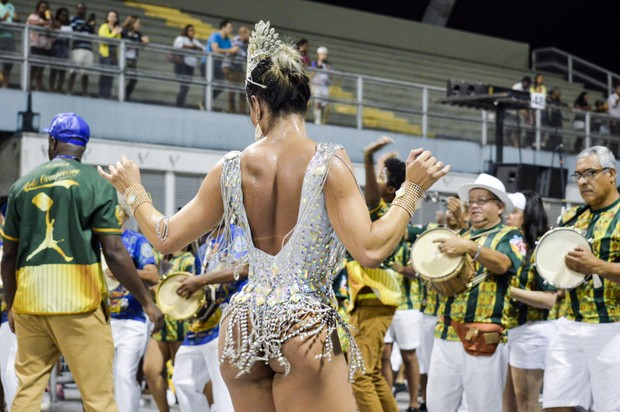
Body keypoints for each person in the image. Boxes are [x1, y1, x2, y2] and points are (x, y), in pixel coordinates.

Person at [98, 20, 450, 412]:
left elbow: (164, 236)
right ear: (305, 102)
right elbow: (370, 249)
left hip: (242, 325)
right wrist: (412, 190)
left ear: (256, 104)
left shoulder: (230, 168)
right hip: (304, 325)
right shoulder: (327, 162)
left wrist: (133, 188)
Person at [0, 112, 162, 411]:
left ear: (52, 142)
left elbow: (9, 256)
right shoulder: (95, 184)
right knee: (98, 398)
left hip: (30, 305)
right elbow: (114, 252)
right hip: (78, 305)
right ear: (83, 147)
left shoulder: (21, 187)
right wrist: (148, 302)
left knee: (26, 393)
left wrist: (12, 305)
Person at [427, 173, 525, 412]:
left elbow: (505, 264)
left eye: (482, 200)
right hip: (446, 330)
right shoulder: (459, 237)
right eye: (471, 202)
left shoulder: (511, 235)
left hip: (483, 334)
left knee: (483, 407)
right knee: (437, 405)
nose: (474, 206)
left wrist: (470, 247)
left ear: (500, 207)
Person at [542, 146, 620, 412]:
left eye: (590, 173)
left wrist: (597, 266)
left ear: (611, 174)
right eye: (578, 176)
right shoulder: (570, 217)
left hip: (612, 326)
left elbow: (594, 267)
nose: (583, 181)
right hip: (570, 322)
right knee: (555, 403)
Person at [361, 137, 421, 412]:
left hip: (383, 296)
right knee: (373, 368)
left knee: (364, 373)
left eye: (382, 178)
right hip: (380, 294)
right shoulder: (390, 213)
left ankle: (412, 402)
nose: (376, 181)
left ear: (392, 189)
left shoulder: (387, 212)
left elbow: (372, 195)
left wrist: (369, 157)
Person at [172, 225, 249, 412]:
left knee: (223, 387)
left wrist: (201, 280)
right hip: (204, 322)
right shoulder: (204, 246)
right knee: (182, 380)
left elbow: (244, 268)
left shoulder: (236, 234)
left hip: (228, 317)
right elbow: (202, 284)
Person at [502, 191, 558, 412]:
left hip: (534, 331)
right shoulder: (515, 247)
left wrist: (510, 291)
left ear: (527, 215)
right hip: (514, 330)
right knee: (508, 401)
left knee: (526, 401)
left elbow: (550, 299)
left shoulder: (541, 249)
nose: (508, 216)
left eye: (514, 212)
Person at [108, 193, 159, 412]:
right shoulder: (98, 242)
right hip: (104, 320)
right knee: (107, 375)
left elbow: (153, 275)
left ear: (123, 214)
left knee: (125, 374)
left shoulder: (137, 241)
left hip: (133, 320)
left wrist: (122, 271)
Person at [143, 245, 195, 412]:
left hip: (182, 322)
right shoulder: (162, 259)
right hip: (162, 322)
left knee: (183, 377)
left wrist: (164, 289)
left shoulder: (189, 260)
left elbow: (193, 292)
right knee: (150, 370)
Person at [205, 19, 239, 101]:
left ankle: (205, 102)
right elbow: (215, 49)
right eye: (229, 27)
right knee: (207, 84)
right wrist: (230, 50)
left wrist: (234, 52)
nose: (231, 30)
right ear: (223, 28)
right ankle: (205, 103)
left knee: (221, 85)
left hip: (218, 64)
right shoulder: (215, 36)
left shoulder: (228, 40)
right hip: (208, 63)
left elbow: (230, 52)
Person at [172, 24, 204, 108]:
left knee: (186, 86)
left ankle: (181, 103)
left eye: (193, 31)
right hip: (182, 65)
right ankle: (179, 104)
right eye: (190, 30)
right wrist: (191, 47)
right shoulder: (181, 38)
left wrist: (196, 47)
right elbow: (178, 47)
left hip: (190, 67)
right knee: (184, 86)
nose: (192, 32)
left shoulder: (194, 41)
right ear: (186, 31)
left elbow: (202, 48)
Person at [67, 3, 96, 96]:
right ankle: (69, 91)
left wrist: (92, 25)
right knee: (73, 71)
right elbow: (75, 32)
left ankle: (84, 92)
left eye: (83, 9)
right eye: (80, 9)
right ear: (76, 9)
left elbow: (92, 33)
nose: (82, 10)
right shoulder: (73, 19)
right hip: (77, 48)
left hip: (88, 48)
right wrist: (86, 23)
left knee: (85, 73)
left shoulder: (89, 21)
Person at [121, 15, 149, 101]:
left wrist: (146, 40)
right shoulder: (124, 31)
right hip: (123, 59)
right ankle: (121, 96)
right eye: (138, 23)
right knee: (123, 77)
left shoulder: (138, 33)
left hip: (133, 59)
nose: (139, 25)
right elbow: (126, 38)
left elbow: (144, 39)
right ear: (132, 23)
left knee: (133, 79)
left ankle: (126, 95)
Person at [222, 25, 249, 113]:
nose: (249, 36)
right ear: (242, 34)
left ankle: (242, 111)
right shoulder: (236, 40)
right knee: (232, 89)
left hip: (239, 68)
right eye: (248, 34)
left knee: (243, 89)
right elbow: (235, 50)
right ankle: (231, 110)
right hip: (230, 67)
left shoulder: (248, 43)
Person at [26, 1, 53, 91]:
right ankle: (28, 85)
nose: (44, 9)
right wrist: (46, 23)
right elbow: (32, 22)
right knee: (33, 68)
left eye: (45, 8)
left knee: (40, 69)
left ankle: (38, 87)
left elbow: (53, 28)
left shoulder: (47, 19)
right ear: (38, 8)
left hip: (44, 47)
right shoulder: (33, 16)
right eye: (42, 7)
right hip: (35, 46)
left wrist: (50, 21)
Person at [98, 9, 122, 99]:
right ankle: (102, 94)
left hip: (114, 55)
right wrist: (114, 33)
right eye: (110, 16)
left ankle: (108, 94)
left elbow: (119, 41)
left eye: (113, 16)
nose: (111, 18)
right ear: (107, 17)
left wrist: (116, 33)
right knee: (104, 75)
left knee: (111, 76)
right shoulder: (104, 26)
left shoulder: (117, 28)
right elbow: (104, 40)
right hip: (105, 54)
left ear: (116, 18)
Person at [49, 7, 71, 93]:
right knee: (53, 69)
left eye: (66, 16)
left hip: (64, 46)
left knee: (62, 70)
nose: (64, 17)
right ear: (58, 15)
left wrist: (57, 25)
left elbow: (67, 34)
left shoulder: (68, 26)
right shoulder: (53, 24)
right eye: (62, 15)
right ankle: (51, 88)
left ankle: (59, 88)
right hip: (56, 45)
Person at [310, 46, 331, 124]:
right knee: (317, 103)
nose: (325, 56)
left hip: (325, 87)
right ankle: (317, 120)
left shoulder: (329, 65)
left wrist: (329, 70)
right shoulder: (314, 63)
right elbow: (311, 75)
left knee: (324, 106)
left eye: (326, 54)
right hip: (316, 86)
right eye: (323, 54)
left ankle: (322, 120)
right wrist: (318, 66)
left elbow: (331, 77)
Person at [0, 0, 19, 88]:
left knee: (8, 63)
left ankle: (5, 85)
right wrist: (3, 19)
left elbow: (15, 21)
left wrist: (17, 20)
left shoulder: (10, 6)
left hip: (9, 37)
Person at [543, 87, 566, 151]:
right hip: (551, 119)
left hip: (557, 119)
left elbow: (562, 107)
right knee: (552, 135)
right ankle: (549, 148)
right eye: (557, 92)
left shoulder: (558, 100)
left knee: (559, 135)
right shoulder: (549, 99)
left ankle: (557, 148)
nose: (558, 93)